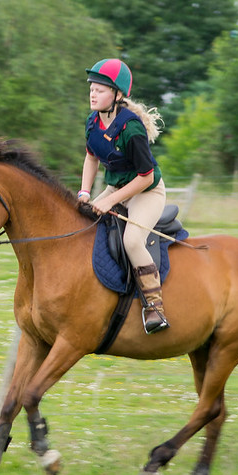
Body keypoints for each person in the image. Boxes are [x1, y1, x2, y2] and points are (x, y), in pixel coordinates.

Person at [78, 58, 169, 334]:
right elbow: (91, 158)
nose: (93, 94)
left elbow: (146, 177)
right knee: (82, 224)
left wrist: (109, 200)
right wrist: (85, 192)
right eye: (91, 89)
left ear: (117, 95)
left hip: (146, 191)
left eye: (100, 90)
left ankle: (154, 307)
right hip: (116, 188)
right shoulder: (92, 122)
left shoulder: (132, 128)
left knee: (131, 240)